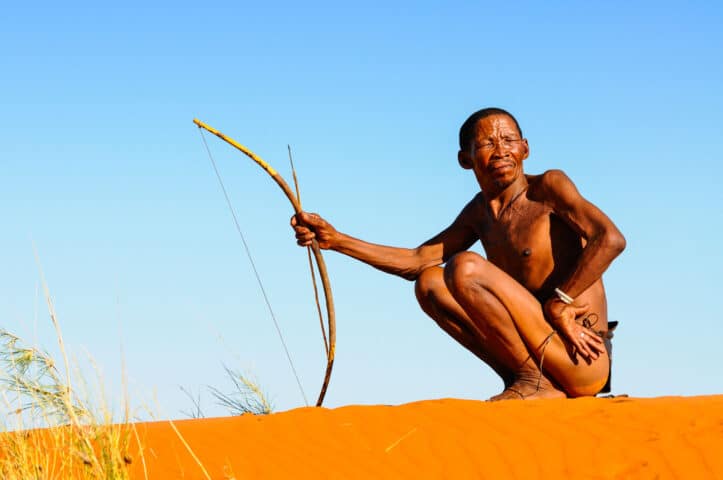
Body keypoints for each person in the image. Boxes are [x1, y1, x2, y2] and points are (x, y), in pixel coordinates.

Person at [291, 108, 626, 400]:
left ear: (525, 149)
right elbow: (419, 259)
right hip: (542, 352)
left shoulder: (548, 188)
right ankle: (527, 378)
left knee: (464, 266)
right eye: (486, 144)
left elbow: (610, 238)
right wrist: (336, 240)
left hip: (581, 355)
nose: (500, 151)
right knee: (429, 283)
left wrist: (561, 300)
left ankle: (535, 382)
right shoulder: (479, 214)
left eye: (509, 141)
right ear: (465, 159)